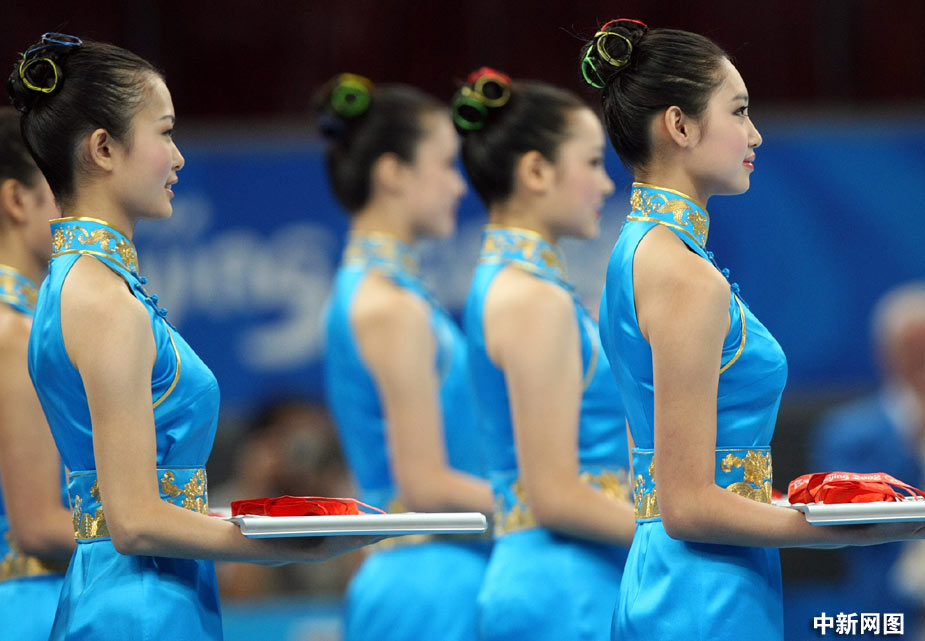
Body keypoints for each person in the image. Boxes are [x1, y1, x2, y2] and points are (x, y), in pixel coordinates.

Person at [9, 33, 378, 640]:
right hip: (141, 605)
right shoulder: (103, 300)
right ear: (103, 149)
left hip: (136, 590)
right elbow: (134, 522)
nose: (178, 157)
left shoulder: (76, 285)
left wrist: (271, 518)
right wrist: (286, 547)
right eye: (165, 132)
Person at [582, 18, 925, 641]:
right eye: (738, 112)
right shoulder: (685, 275)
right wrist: (852, 528)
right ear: (680, 125)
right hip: (706, 594)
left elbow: (671, 492)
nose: (755, 134)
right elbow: (689, 507)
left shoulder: (636, 252)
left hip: (671, 578)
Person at [455, 67, 635, 641]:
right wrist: (673, 536)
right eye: (592, 163)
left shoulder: (512, 284)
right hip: (566, 586)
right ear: (535, 171)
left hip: (563, 573)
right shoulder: (533, 298)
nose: (606, 185)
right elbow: (555, 497)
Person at [319, 73, 494, 641]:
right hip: (428, 585)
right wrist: (548, 501)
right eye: (445, 165)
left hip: (435, 569)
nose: (460, 186)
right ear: (392, 173)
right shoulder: (388, 306)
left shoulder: (383, 293)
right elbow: (425, 485)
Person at [810, 282, 925, 633]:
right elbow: (851, 517)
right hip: (889, 601)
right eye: (912, 347)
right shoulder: (848, 432)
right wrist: (915, 442)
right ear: (886, 354)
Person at [0, 105, 72, 640]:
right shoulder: (14, 333)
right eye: (62, 192)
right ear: (17, 199)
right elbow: (38, 525)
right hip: (31, 605)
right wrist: (181, 529)